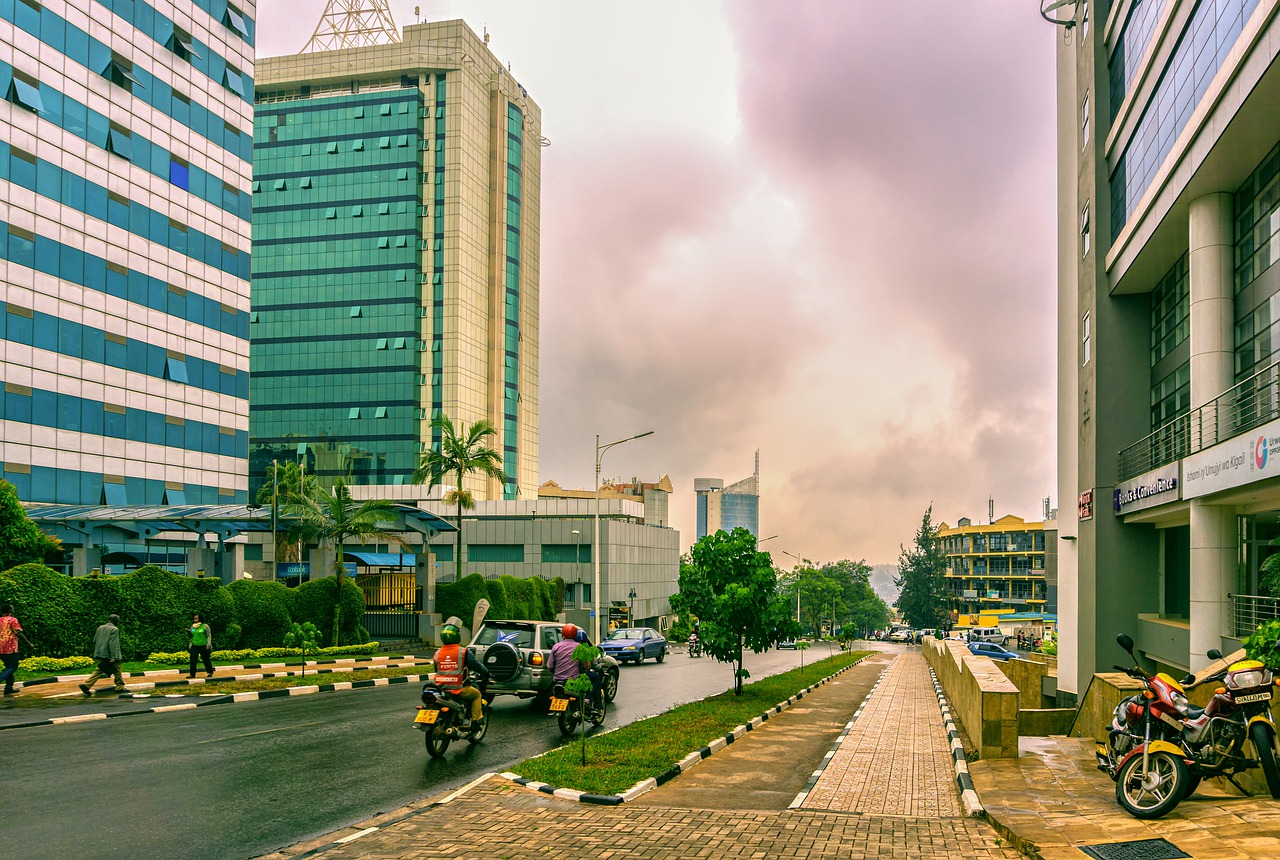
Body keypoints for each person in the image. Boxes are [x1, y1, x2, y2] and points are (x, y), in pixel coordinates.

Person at [431, 623, 487, 724]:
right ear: (457, 636)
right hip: (458, 689)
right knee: (477, 695)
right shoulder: (463, 652)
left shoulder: (437, 653)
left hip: (441, 688)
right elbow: (477, 666)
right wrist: (486, 672)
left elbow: (437, 669)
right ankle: (475, 721)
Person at [547, 623, 601, 710]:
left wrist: (557, 673)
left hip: (557, 681)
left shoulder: (556, 646)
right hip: (573, 681)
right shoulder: (579, 647)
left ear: (563, 634)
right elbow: (584, 666)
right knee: (595, 678)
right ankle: (589, 701)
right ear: (575, 634)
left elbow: (549, 666)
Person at [80, 614, 125, 695]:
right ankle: (87, 685)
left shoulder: (100, 628)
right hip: (110, 654)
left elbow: (95, 640)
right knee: (111, 668)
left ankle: (119, 686)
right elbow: (113, 644)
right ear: (116, 621)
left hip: (100, 653)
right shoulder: (114, 629)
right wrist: (114, 656)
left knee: (109, 669)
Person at [0, 604, 24, 695]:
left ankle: (8, 688)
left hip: (0, 648)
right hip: (10, 647)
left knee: (8, 667)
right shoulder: (12, 620)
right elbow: (18, 633)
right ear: (10, 610)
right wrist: (29, 644)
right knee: (13, 666)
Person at [187, 613, 214, 678]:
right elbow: (191, 636)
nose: (195, 620)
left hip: (203, 645)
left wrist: (208, 644)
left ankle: (210, 672)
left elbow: (208, 635)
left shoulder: (205, 626)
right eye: (194, 619)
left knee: (205, 659)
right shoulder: (192, 626)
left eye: (197, 618)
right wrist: (189, 632)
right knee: (193, 659)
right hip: (194, 645)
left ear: (200, 619)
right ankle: (192, 674)